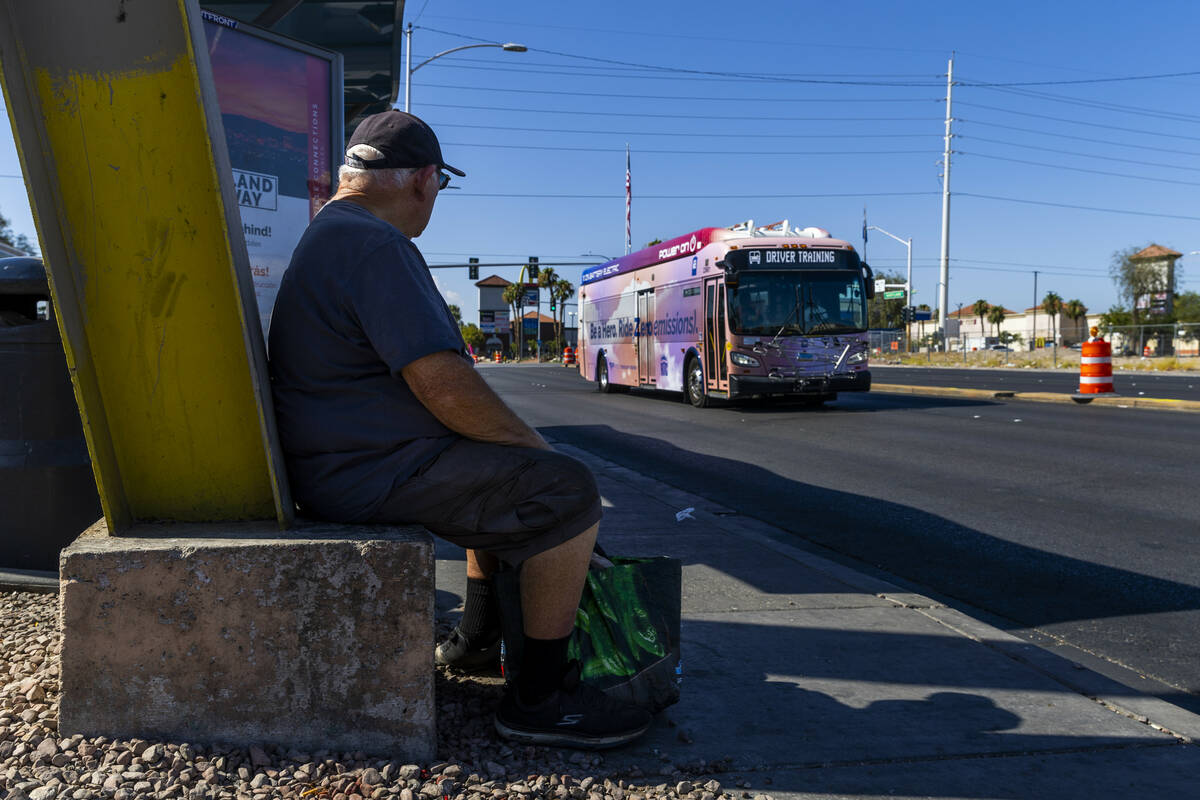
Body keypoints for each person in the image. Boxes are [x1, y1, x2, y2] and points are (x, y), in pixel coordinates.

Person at [268, 110, 651, 749]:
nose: (435, 202)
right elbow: (442, 382)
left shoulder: (331, 233)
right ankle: (540, 700)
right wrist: (533, 446)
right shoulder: (376, 245)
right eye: (440, 189)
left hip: (340, 462)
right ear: (422, 180)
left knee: (494, 464)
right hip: (367, 472)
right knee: (565, 491)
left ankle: (475, 641)